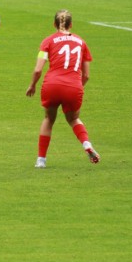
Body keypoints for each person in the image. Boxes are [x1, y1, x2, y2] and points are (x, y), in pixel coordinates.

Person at [26, 9, 100, 168]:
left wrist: (32, 85)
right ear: (71, 24)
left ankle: (41, 160)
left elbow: (38, 69)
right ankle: (86, 144)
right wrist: (77, 86)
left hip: (51, 85)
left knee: (49, 119)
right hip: (74, 86)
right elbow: (86, 75)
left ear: (54, 24)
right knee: (73, 119)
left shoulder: (47, 41)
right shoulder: (82, 42)